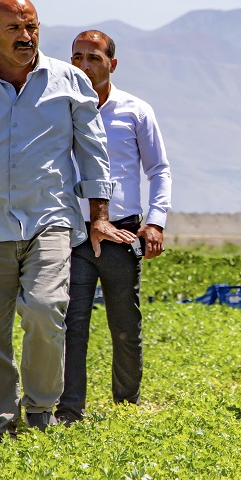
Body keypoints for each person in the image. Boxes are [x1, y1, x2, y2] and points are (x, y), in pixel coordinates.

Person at [0, 0, 127, 443]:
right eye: (14, 28)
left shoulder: (71, 82)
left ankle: (39, 412)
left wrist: (99, 216)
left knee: (46, 310)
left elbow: (94, 154)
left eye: (31, 26)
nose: (26, 36)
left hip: (49, 219)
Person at [56, 30, 172, 422]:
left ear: (112, 64)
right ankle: (69, 410)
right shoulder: (61, 111)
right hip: (73, 234)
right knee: (71, 326)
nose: (84, 65)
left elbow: (159, 170)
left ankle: (126, 407)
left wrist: (155, 222)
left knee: (125, 325)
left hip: (122, 233)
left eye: (93, 58)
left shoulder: (135, 111)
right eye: (77, 57)